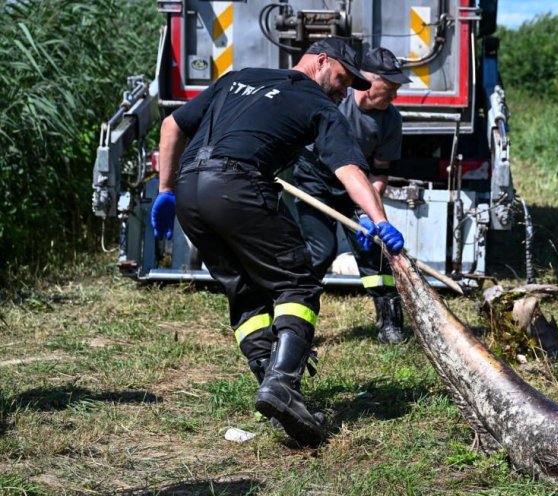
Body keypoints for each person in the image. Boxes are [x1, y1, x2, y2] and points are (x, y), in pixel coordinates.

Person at [149, 38, 405, 446]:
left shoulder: (238, 78)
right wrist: (379, 219)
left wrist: (165, 190)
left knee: (245, 294)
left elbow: (171, 125)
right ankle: (282, 383)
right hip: (239, 188)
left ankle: (278, 391)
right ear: (321, 61)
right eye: (343, 78)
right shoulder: (319, 104)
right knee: (297, 284)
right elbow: (350, 169)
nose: (346, 90)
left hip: (191, 193)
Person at [293, 47, 412, 345]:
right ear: (370, 80)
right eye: (391, 88)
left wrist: (372, 217)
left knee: (375, 253)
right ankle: (295, 326)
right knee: (320, 250)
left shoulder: (390, 121)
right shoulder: (336, 101)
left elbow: (379, 173)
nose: (394, 96)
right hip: (315, 181)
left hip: (356, 189)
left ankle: (390, 324)